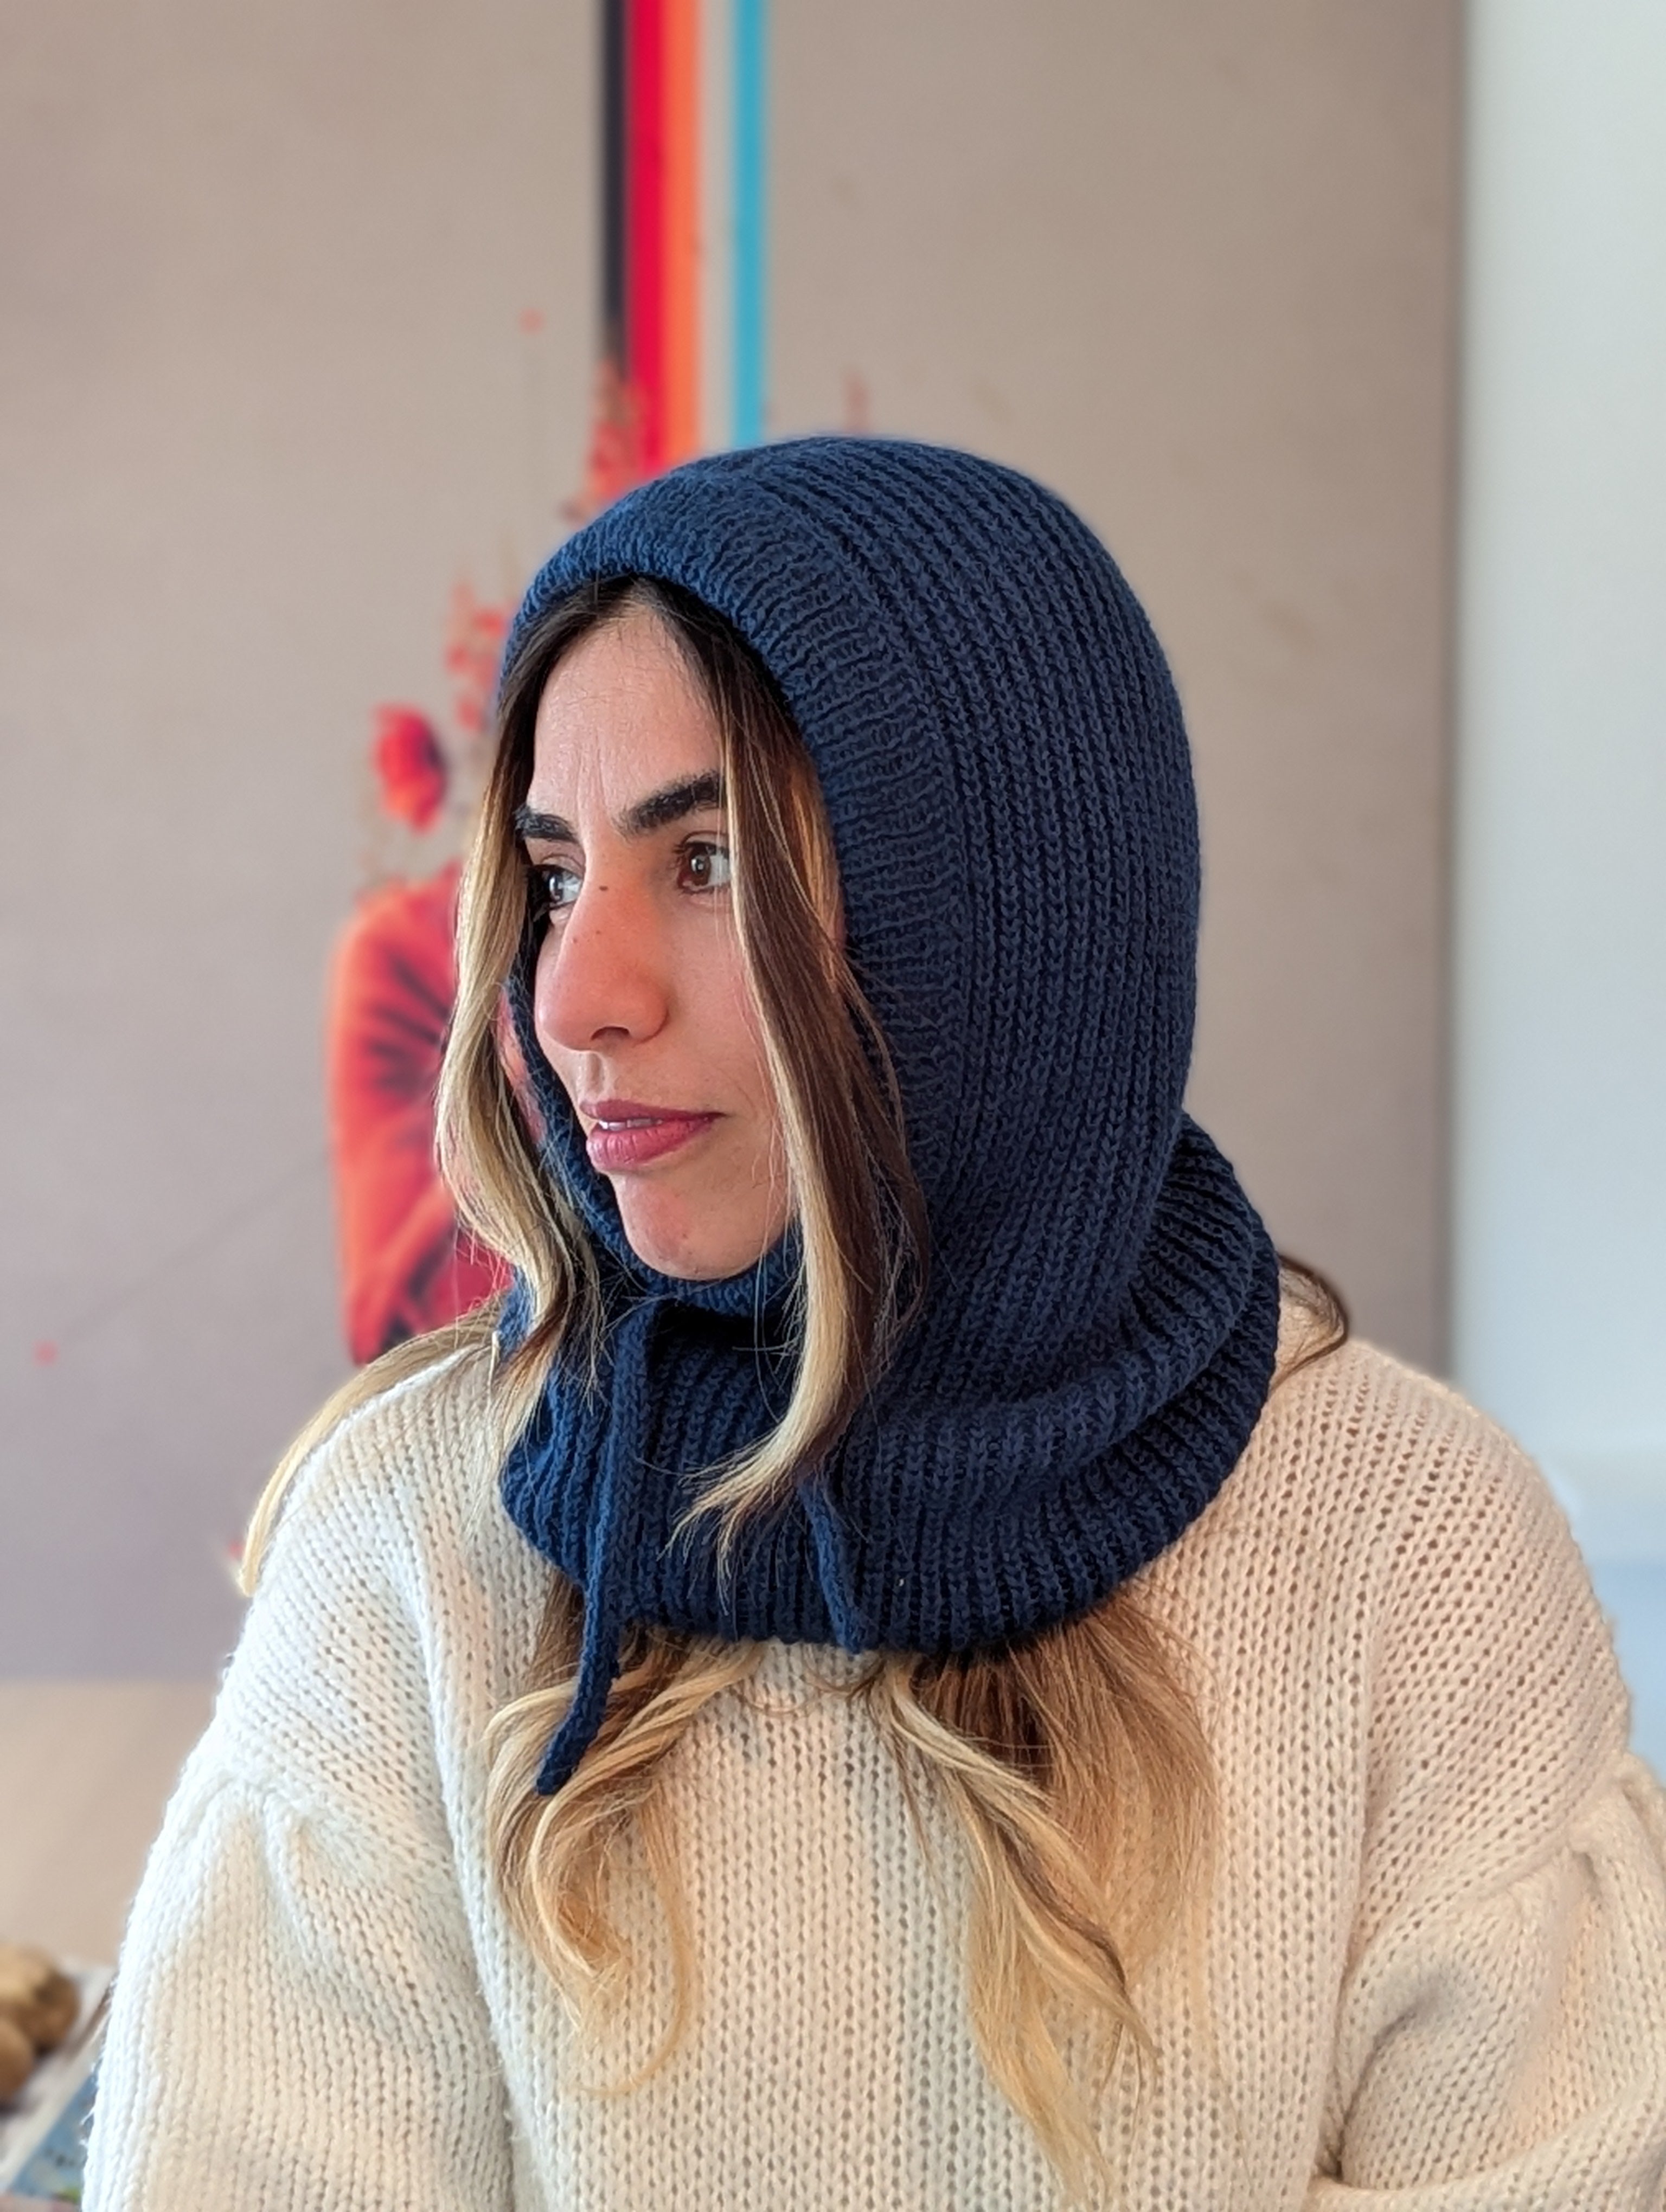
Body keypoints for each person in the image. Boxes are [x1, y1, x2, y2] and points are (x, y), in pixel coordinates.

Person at [84, 440, 1666, 2209]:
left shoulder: (1415, 1552)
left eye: (707, 864)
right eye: (552, 874)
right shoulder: (408, 1554)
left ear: (1003, 923)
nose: (575, 997)